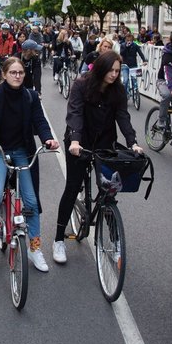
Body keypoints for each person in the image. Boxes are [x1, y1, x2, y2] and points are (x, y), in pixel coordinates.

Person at [53, 52, 143, 264]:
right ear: (101, 68)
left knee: (109, 190)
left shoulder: (118, 90)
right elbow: (75, 113)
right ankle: (58, 240)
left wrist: (133, 143)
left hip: (104, 142)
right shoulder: (81, 84)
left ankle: (116, 242)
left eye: (117, 71)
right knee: (73, 187)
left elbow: (123, 116)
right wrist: (75, 141)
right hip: (79, 141)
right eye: (110, 70)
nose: (114, 75)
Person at [0, 57, 59, 271]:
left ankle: (35, 249)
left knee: (31, 201)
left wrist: (48, 138)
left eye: (20, 72)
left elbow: (40, 122)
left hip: (23, 152)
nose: (17, 76)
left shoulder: (30, 97)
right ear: (4, 74)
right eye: (13, 72)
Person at [0, 23, 15, 87]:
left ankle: (5, 81)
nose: (5, 31)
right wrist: (1, 38)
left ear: (8, 30)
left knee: (6, 69)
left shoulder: (10, 37)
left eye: (6, 29)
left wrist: (10, 53)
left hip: (5, 55)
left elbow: (11, 46)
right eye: (3, 29)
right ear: (2, 29)